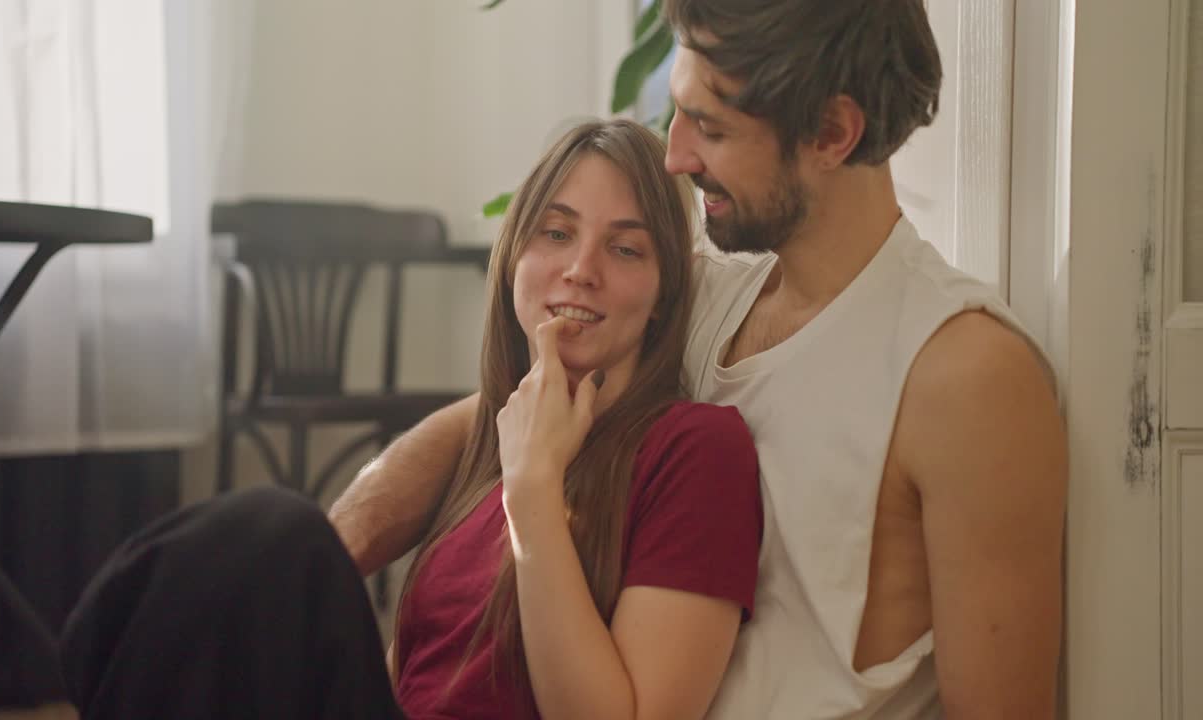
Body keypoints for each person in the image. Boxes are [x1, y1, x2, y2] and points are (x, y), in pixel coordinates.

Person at [329, 1, 1069, 718]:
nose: (677, 156)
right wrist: (339, 547)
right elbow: (503, 414)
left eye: (709, 126)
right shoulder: (702, 294)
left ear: (833, 132)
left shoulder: (964, 375)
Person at [60, 119, 763, 720]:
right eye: (555, 232)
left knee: (276, 534)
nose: (580, 268)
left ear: (666, 296)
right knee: (241, 550)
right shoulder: (488, 439)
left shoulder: (696, 448)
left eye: (625, 248)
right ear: (514, 256)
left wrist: (533, 495)